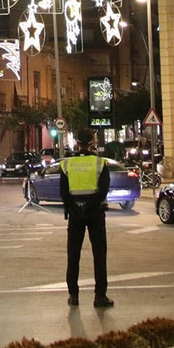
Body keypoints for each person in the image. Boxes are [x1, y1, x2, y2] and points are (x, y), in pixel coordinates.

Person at [59, 131, 113, 308]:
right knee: (99, 255)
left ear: (77, 142)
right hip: (95, 214)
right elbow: (103, 190)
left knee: (73, 255)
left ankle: (73, 295)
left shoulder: (67, 163)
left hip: (75, 215)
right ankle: (100, 296)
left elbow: (64, 192)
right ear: (93, 143)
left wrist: (76, 208)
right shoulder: (99, 163)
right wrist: (90, 207)